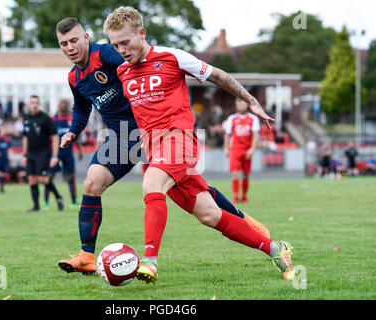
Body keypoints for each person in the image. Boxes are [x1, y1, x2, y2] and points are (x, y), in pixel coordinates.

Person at [55, 17, 269, 276]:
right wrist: (73, 132)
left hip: (153, 131)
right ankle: (87, 255)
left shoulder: (109, 54)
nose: (70, 47)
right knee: (92, 182)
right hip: (123, 137)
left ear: (86, 38)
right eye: (64, 43)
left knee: (192, 191)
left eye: (74, 40)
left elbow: (139, 59)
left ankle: (242, 220)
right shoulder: (74, 78)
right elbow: (81, 108)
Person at [104, 6, 294, 283]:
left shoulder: (172, 57)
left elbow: (219, 76)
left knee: (151, 184)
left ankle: (149, 262)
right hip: (153, 151)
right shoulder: (122, 72)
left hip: (180, 141)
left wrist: (252, 101)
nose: (121, 49)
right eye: (115, 45)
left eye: (125, 42)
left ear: (141, 33)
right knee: (209, 215)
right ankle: (276, 248)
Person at [21, 95, 63, 213]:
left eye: (36, 103)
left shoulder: (45, 118)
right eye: (32, 103)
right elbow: (25, 137)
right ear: (28, 105)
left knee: (42, 178)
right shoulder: (26, 118)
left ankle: (58, 196)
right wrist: (24, 155)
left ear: (39, 105)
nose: (34, 105)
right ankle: (36, 207)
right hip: (30, 153)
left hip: (43, 153)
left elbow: (55, 137)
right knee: (31, 178)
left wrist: (55, 156)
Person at [44, 99, 83, 210]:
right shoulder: (52, 119)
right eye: (62, 103)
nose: (64, 105)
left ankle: (74, 201)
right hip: (55, 154)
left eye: (66, 104)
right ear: (58, 105)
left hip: (68, 154)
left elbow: (76, 137)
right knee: (49, 177)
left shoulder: (71, 119)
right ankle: (46, 202)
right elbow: (47, 137)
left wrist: (79, 150)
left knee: (71, 177)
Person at [223, 97, 260, 203]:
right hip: (235, 149)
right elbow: (227, 135)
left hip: (247, 149)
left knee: (246, 173)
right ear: (236, 105)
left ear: (247, 105)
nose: (240, 105)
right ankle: (235, 197)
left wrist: (252, 149)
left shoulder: (253, 119)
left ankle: (244, 196)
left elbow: (255, 135)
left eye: (243, 103)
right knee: (235, 173)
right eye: (238, 104)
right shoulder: (232, 118)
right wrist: (226, 148)